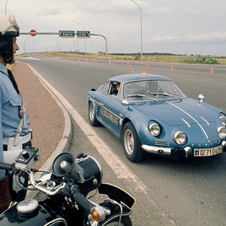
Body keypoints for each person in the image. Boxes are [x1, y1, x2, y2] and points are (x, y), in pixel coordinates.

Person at [0, 13, 32, 212]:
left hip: (17, 162)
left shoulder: (5, 74)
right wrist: (1, 185)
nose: (17, 47)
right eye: (14, 42)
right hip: (7, 171)